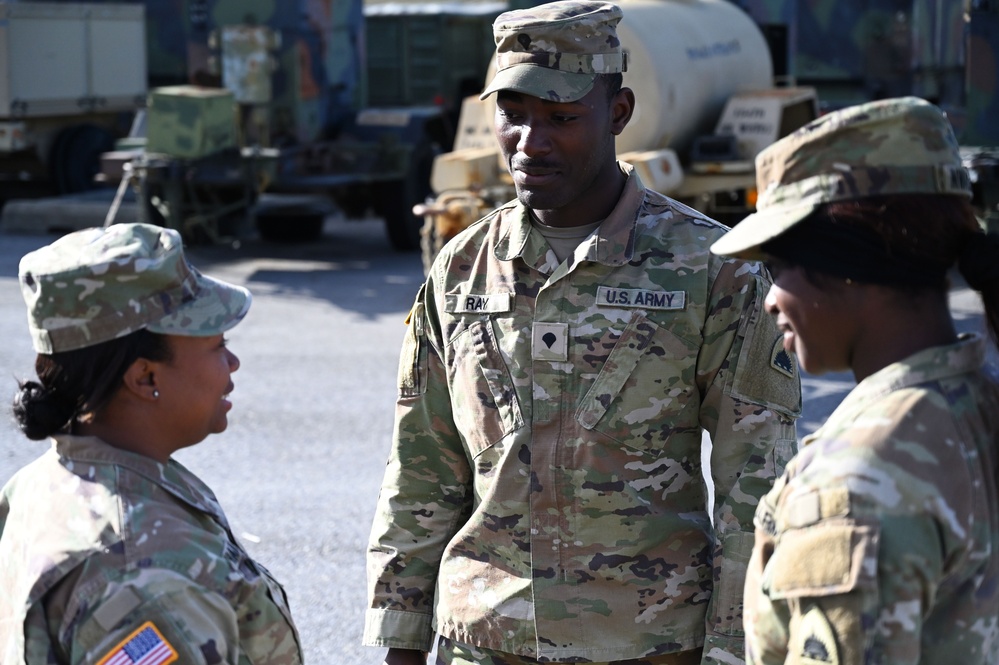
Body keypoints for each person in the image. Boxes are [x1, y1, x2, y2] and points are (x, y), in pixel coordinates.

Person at [363, 2, 801, 663]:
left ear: (618, 112)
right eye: (512, 113)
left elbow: (756, 483)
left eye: (562, 118)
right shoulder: (461, 268)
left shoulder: (710, 269)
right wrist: (398, 640)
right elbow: (421, 467)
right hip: (482, 640)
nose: (530, 141)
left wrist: (730, 649)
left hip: (642, 643)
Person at [710, 97, 999, 663]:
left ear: (852, 266)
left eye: (779, 266)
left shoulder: (857, 480)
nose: (770, 299)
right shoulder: (975, 400)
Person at [0, 223, 304, 664]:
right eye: (219, 344)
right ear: (145, 377)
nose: (233, 363)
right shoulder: (142, 573)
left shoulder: (42, 483)